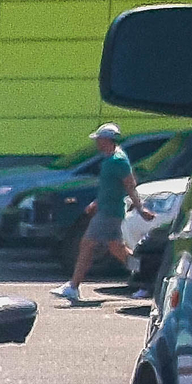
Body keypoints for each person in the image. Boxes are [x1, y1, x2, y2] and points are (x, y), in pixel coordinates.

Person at [54, 123, 147, 303]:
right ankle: (146, 279)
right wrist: (96, 203)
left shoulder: (118, 160)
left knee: (87, 244)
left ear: (107, 140)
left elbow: (129, 184)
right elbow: (111, 187)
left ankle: (73, 287)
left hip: (110, 212)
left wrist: (140, 208)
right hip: (106, 209)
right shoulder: (110, 160)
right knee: (117, 248)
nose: (97, 143)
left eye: (99, 139)